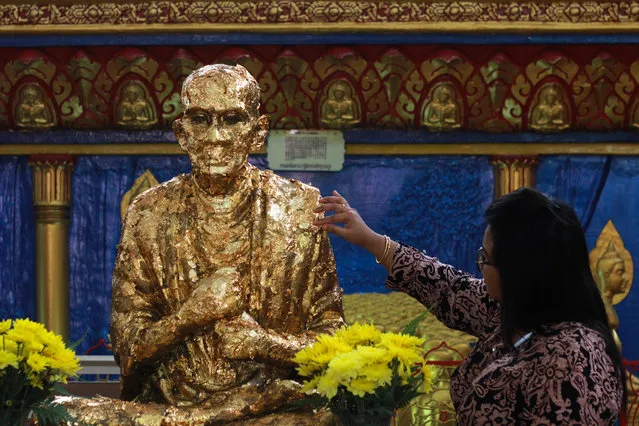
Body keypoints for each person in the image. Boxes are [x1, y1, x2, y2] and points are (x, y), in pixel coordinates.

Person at [59, 64, 344, 425]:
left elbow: (334, 344)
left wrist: (262, 343)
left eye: (232, 120)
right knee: (58, 413)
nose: (217, 137)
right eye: (200, 120)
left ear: (259, 132)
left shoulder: (300, 208)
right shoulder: (148, 212)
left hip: (272, 409)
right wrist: (188, 317)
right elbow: (129, 350)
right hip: (170, 412)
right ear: (182, 133)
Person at [313, 187, 626, 424]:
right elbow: (449, 287)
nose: (479, 267)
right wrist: (370, 239)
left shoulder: (573, 361)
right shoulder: (520, 313)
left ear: (520, 270)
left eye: (485, 258)